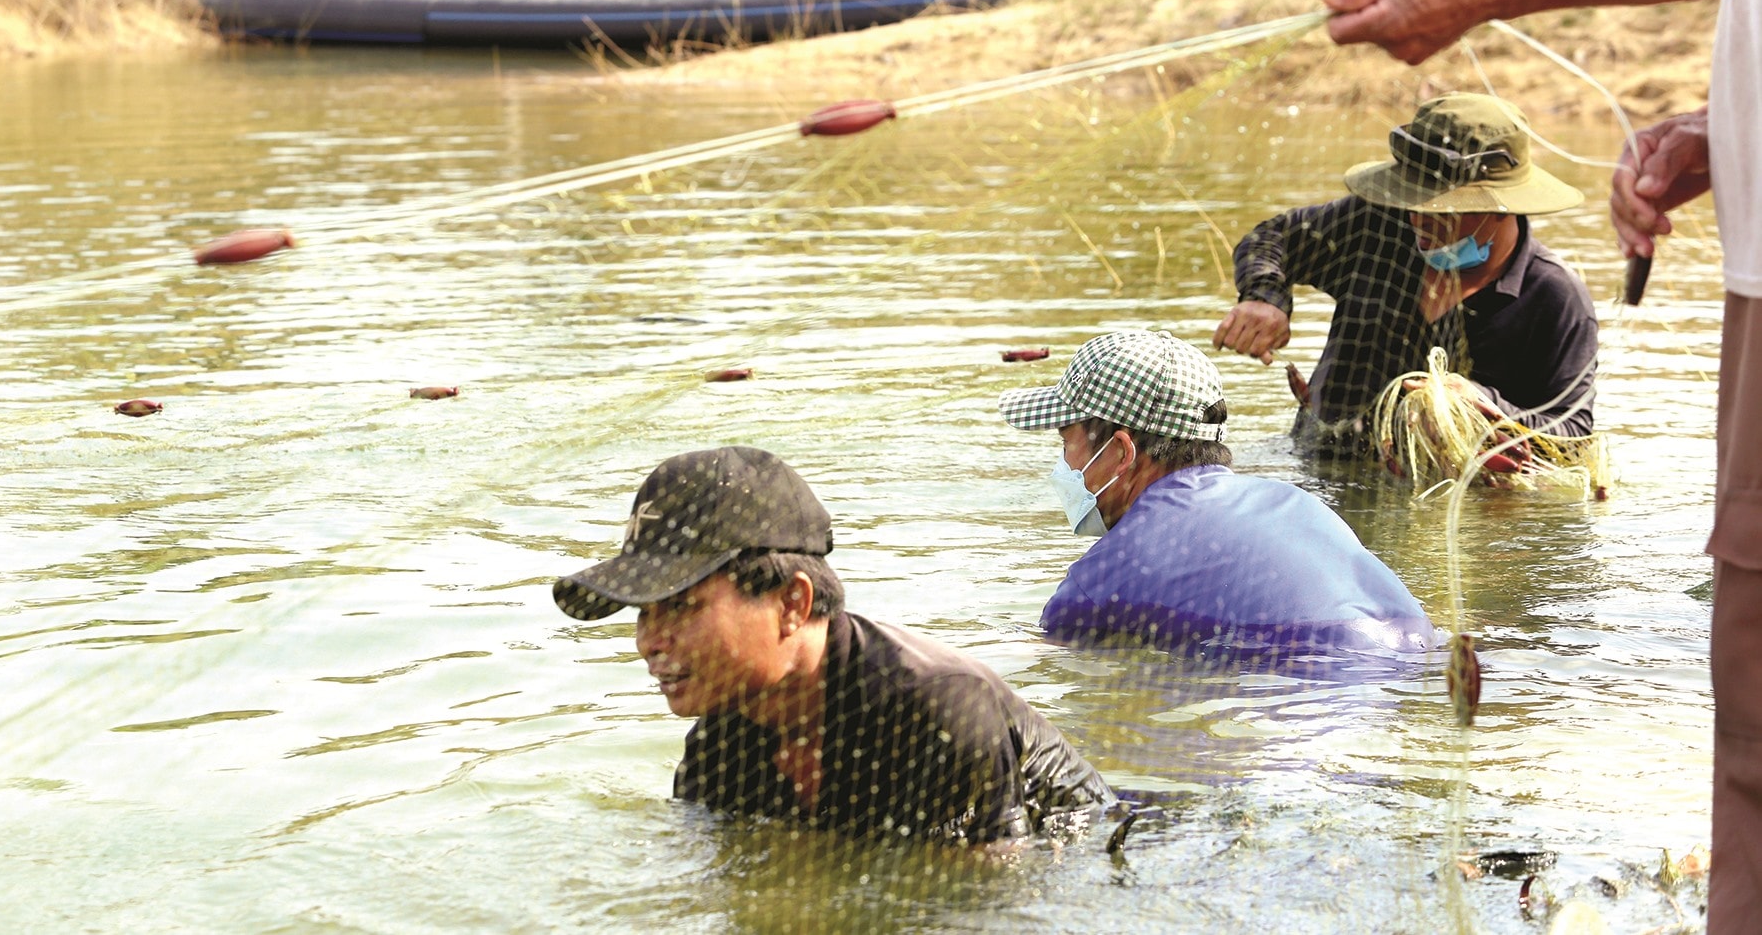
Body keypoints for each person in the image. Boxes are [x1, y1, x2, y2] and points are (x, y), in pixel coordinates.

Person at [1312, 0, 1762, 928]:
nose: (1440, 236)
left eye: (1465, 219)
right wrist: (1725, 130)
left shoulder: (1549, 293)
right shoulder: (1372, 245)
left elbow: (1565, 421)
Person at [552, 445, 1112, 846]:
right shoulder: (717, 749)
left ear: (791, 604)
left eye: (680, 606)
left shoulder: (939, 706)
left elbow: (992, 912)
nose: (649, 642)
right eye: (643, 613)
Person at [999, 329, 1437, 655]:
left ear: (1120, 451)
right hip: (1418, 663)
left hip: (1304, 709)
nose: (1064, 463)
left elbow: (1050, 660)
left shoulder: (1103, 581)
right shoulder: (1293, 503)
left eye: (1065, 441)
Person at [1211, 92, 1599, 457]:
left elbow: (1574, 434)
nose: (1417, 218)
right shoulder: (1375, 224)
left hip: (1449, 499)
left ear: (1502, 209)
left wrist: (1482, 405)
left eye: (1440, 210)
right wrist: (1264, 298)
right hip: (1323, 464)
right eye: (1411, 199)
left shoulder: (1555, 298)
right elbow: (1271, 238)